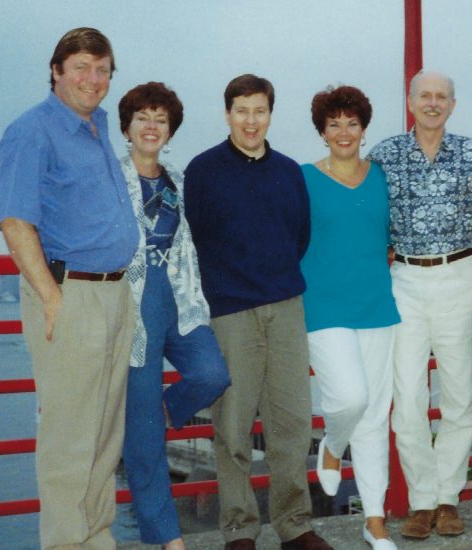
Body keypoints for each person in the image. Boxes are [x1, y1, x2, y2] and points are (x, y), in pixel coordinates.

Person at [0, 28, 139, 549]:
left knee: (104, 436)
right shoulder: (31, 131)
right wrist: (52, 298)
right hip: (71, 293)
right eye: (81, 67)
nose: (92, 79)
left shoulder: (99, 126)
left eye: (102, 70)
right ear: (56, 71)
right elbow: (14, 222)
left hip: (114, 294)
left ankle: (96, 538)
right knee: (70, 439)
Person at [184, 74, 332, 550]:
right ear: (227, 114)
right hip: (231, 313)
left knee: (292, 424)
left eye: (260, 111)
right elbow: (195, 239)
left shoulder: (288, 171)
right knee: (233, 428)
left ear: (271, 114)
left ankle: (295, 525)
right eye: (242, 111)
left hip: (285, 307)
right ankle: (239, 529)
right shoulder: (203, 170)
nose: (251, 121)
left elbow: (299, 237)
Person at [368, 70, 472, 540]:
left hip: (461, 276)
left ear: (452, 104)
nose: (433, 103)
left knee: (461, 393)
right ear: (410, 101)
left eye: (442, 97)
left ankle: (447, 498)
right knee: (408, 397)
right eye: (425, 96)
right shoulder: (384, 155)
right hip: (406, 280)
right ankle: (421, 500)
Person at [118, 82, 231, 550]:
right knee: (145, 441)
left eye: (160, 120)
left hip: (180, 295)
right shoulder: (110, 178)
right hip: (131, 300)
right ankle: (168, 538)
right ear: (127, 127)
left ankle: (161, 411)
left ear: (170, 130)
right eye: (142, 118)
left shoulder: (181, 182)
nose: (151, 127)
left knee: (212, 373)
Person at [301, 85, 401, 550]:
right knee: (350, 398)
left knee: (375, 414)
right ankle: (333, 445)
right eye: (334, 124)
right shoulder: (302, 178)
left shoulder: (383, 176)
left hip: (377, 304)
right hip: (322, 306)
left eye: (352, 123)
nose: (344, 132)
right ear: (322, 131)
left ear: (364, 129)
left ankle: (375, 521)